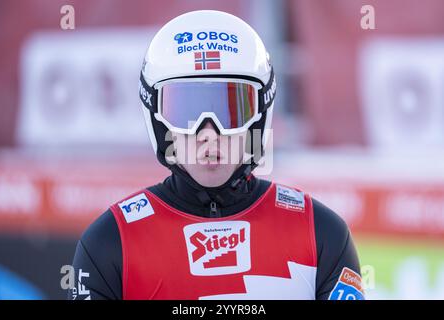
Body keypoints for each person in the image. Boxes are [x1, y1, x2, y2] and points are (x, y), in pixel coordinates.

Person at [69, 10, 364, 300]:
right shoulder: (111, 242)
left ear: (259, 117)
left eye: (231, 109)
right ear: (160, 122)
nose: (209, 133)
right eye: (186, 111)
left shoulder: (320, 232)